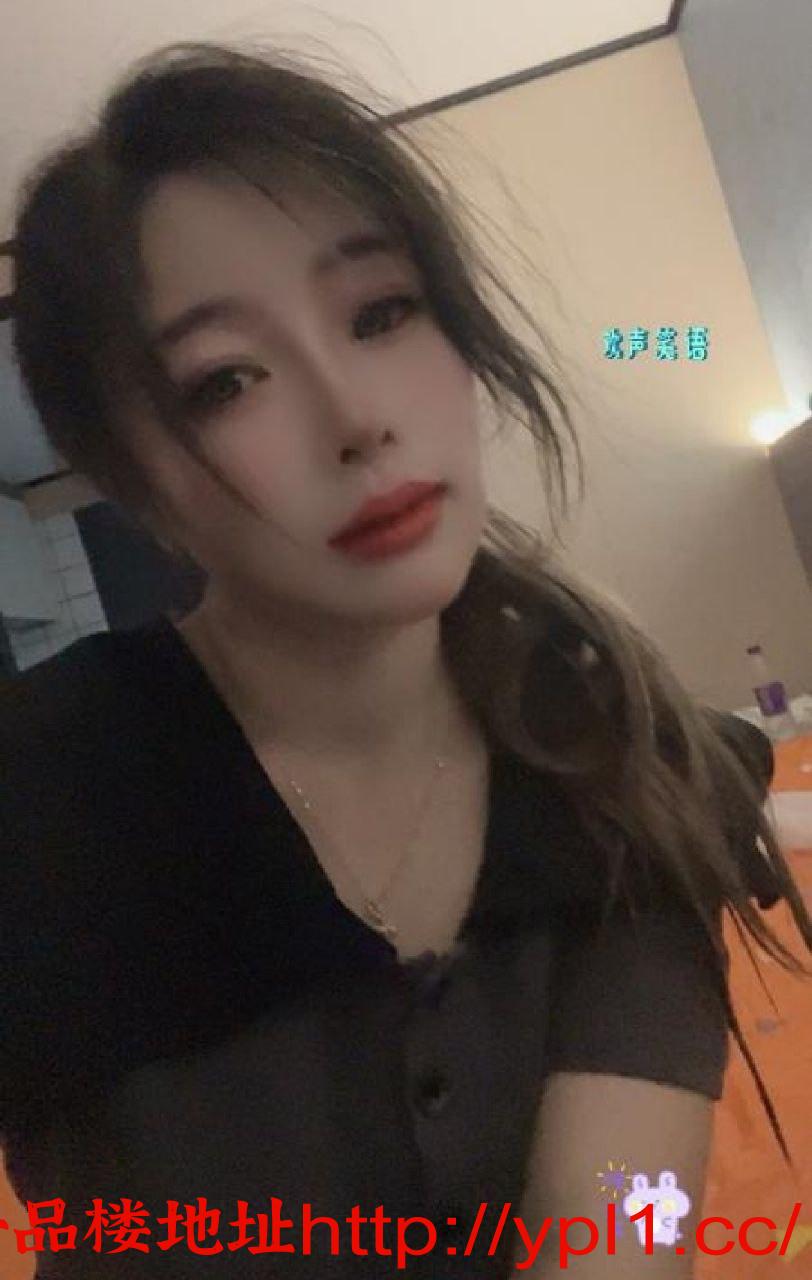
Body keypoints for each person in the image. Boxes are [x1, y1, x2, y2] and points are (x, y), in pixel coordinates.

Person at [2, 39, 810, 1280]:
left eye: (380, 313)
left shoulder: (609, 755)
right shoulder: (45, 795)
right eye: (225, 381)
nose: (356, 417)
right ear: (130, 476)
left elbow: (630, 1220)